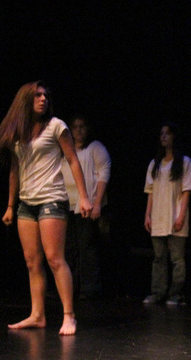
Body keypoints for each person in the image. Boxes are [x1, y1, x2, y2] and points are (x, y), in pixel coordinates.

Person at [0, 81, 93, 335]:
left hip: (52, 199)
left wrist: (84, 197)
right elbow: (15, 169)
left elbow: (72, 159)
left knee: (54, 258)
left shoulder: (56, 126)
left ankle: (69, 316)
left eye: (46, 95)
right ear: (25, 100)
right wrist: (10, 205)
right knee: (32, 260)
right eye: (37, 95)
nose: (43, 99)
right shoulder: (18, 132)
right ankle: (38, 315)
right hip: (27, 203)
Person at [143, 122, 191, 305]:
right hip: (158, 217)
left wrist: (181, 215)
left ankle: (176, 293)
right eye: (161, 133)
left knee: (176, 259)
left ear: (175, 136)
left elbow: (187, 190)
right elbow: (150, 191)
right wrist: (147, 215)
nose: (164, 137)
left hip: (175, 217)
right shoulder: (154, 164)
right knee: (159, 258)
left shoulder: (184, 162)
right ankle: (158, 292)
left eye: (167, 133)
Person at [61, 115, 111, 300]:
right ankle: (72, 287)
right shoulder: (67, 151)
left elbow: (103, 174)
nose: (79, 130)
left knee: (87, 247)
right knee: (70, 249)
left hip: (88, 206)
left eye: (82, 126)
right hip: (69, 207)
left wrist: (97, 203)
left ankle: (90, 288)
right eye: (75, 127)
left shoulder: (95, 148)